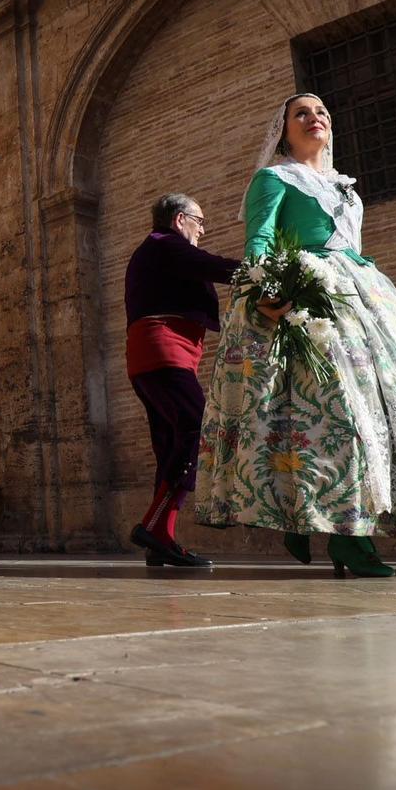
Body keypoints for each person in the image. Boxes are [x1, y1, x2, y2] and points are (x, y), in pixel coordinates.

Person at [196, 94, 396, 575]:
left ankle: (333, 526)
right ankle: (341, 534)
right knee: (335, 412)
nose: (314, 117)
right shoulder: (274, 178)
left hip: (362, 298)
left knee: (384, 411)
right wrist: (268, 292)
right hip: (305, 297)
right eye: (300, 113)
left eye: (321, 111)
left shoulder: (347, 188)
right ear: (283, 130)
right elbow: (260, 238)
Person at [123, 193, 241, 567]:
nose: (202, 230)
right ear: (179, 220)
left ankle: (160, 540)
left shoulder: (156, 251)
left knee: (170, 442)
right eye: (199, 221)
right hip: (164, 352)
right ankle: (154, 527)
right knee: (196, 431)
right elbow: (211, 266)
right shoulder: (165, 245)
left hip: (153, 357)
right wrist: (260, 272)